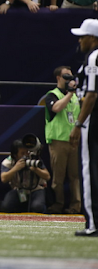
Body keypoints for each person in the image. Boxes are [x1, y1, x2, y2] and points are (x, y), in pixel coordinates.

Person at [69, 19, 98, 236]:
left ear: (93, 38)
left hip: (92, 121)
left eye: (83, 37)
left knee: (88, 170)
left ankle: (93, 223)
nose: (79, 41)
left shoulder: (94, 57)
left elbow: (92, 94)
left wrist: (79, 124)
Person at [44, 66, 81, 214]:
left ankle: (76, 206)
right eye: (66, 76)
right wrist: (70, 93)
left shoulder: (76, 97)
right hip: (58, 141)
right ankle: (58, 205)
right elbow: (56, 108)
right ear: (58, 78)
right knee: (58, 177)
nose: (69, 80)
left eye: (71, 77)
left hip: (74, 141)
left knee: (75, 176)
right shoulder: (52, 95)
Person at [0, 138, 50, 213]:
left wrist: (36, 169)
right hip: (19, 190)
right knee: (6, 206)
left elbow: (47, 176)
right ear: (15, 155)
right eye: (22, 153)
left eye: (27, 152)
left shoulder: (34, 158)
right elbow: (4, 179)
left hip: (36, 189)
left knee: (37, 207)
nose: (25, 155)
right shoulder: (8, 162)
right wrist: (16, 168)